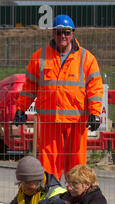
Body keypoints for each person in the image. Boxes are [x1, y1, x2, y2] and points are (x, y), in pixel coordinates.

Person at [15, 15, 104, 180]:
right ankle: (51, 197)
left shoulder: (86, 58)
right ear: (53, 34)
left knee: (76, 164)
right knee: (49, 163)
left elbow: (95, 88)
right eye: (58, 33)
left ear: (72, 34)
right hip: (50, 121)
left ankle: (76, 199)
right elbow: (29, 87)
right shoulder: (39, 57)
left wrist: (95, 112)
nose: (62, 36)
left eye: (66, 32)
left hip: (76, 122)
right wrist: (21, 108)